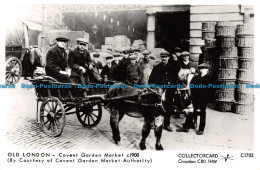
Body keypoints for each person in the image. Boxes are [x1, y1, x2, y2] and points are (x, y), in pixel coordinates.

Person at [176, 63, 214, 135]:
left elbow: (211, 90)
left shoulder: (209, 78)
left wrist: (207, 98)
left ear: (207, 69)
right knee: (191, 111)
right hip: (195, 98)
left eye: (203, 68)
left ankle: (201, 129)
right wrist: (192, 95)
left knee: (202, 113)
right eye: (200, 68)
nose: (202, 70)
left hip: (203, 99)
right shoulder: (196, 77)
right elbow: (192, 85)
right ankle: (186, 127)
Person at [148, 51, 178, 132]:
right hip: (158, 91)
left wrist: (170, 86)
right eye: (163, 57)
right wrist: (155, 86)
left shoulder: (173, 68)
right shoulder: (156, 67)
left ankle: (167, 124)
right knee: (155, 106)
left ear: (168, 58)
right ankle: (153, 122)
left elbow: (175, 80)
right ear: (161, 58)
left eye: (166, 57)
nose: (164, 58)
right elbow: (151, 79)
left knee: (167, 107)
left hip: (168, 91)